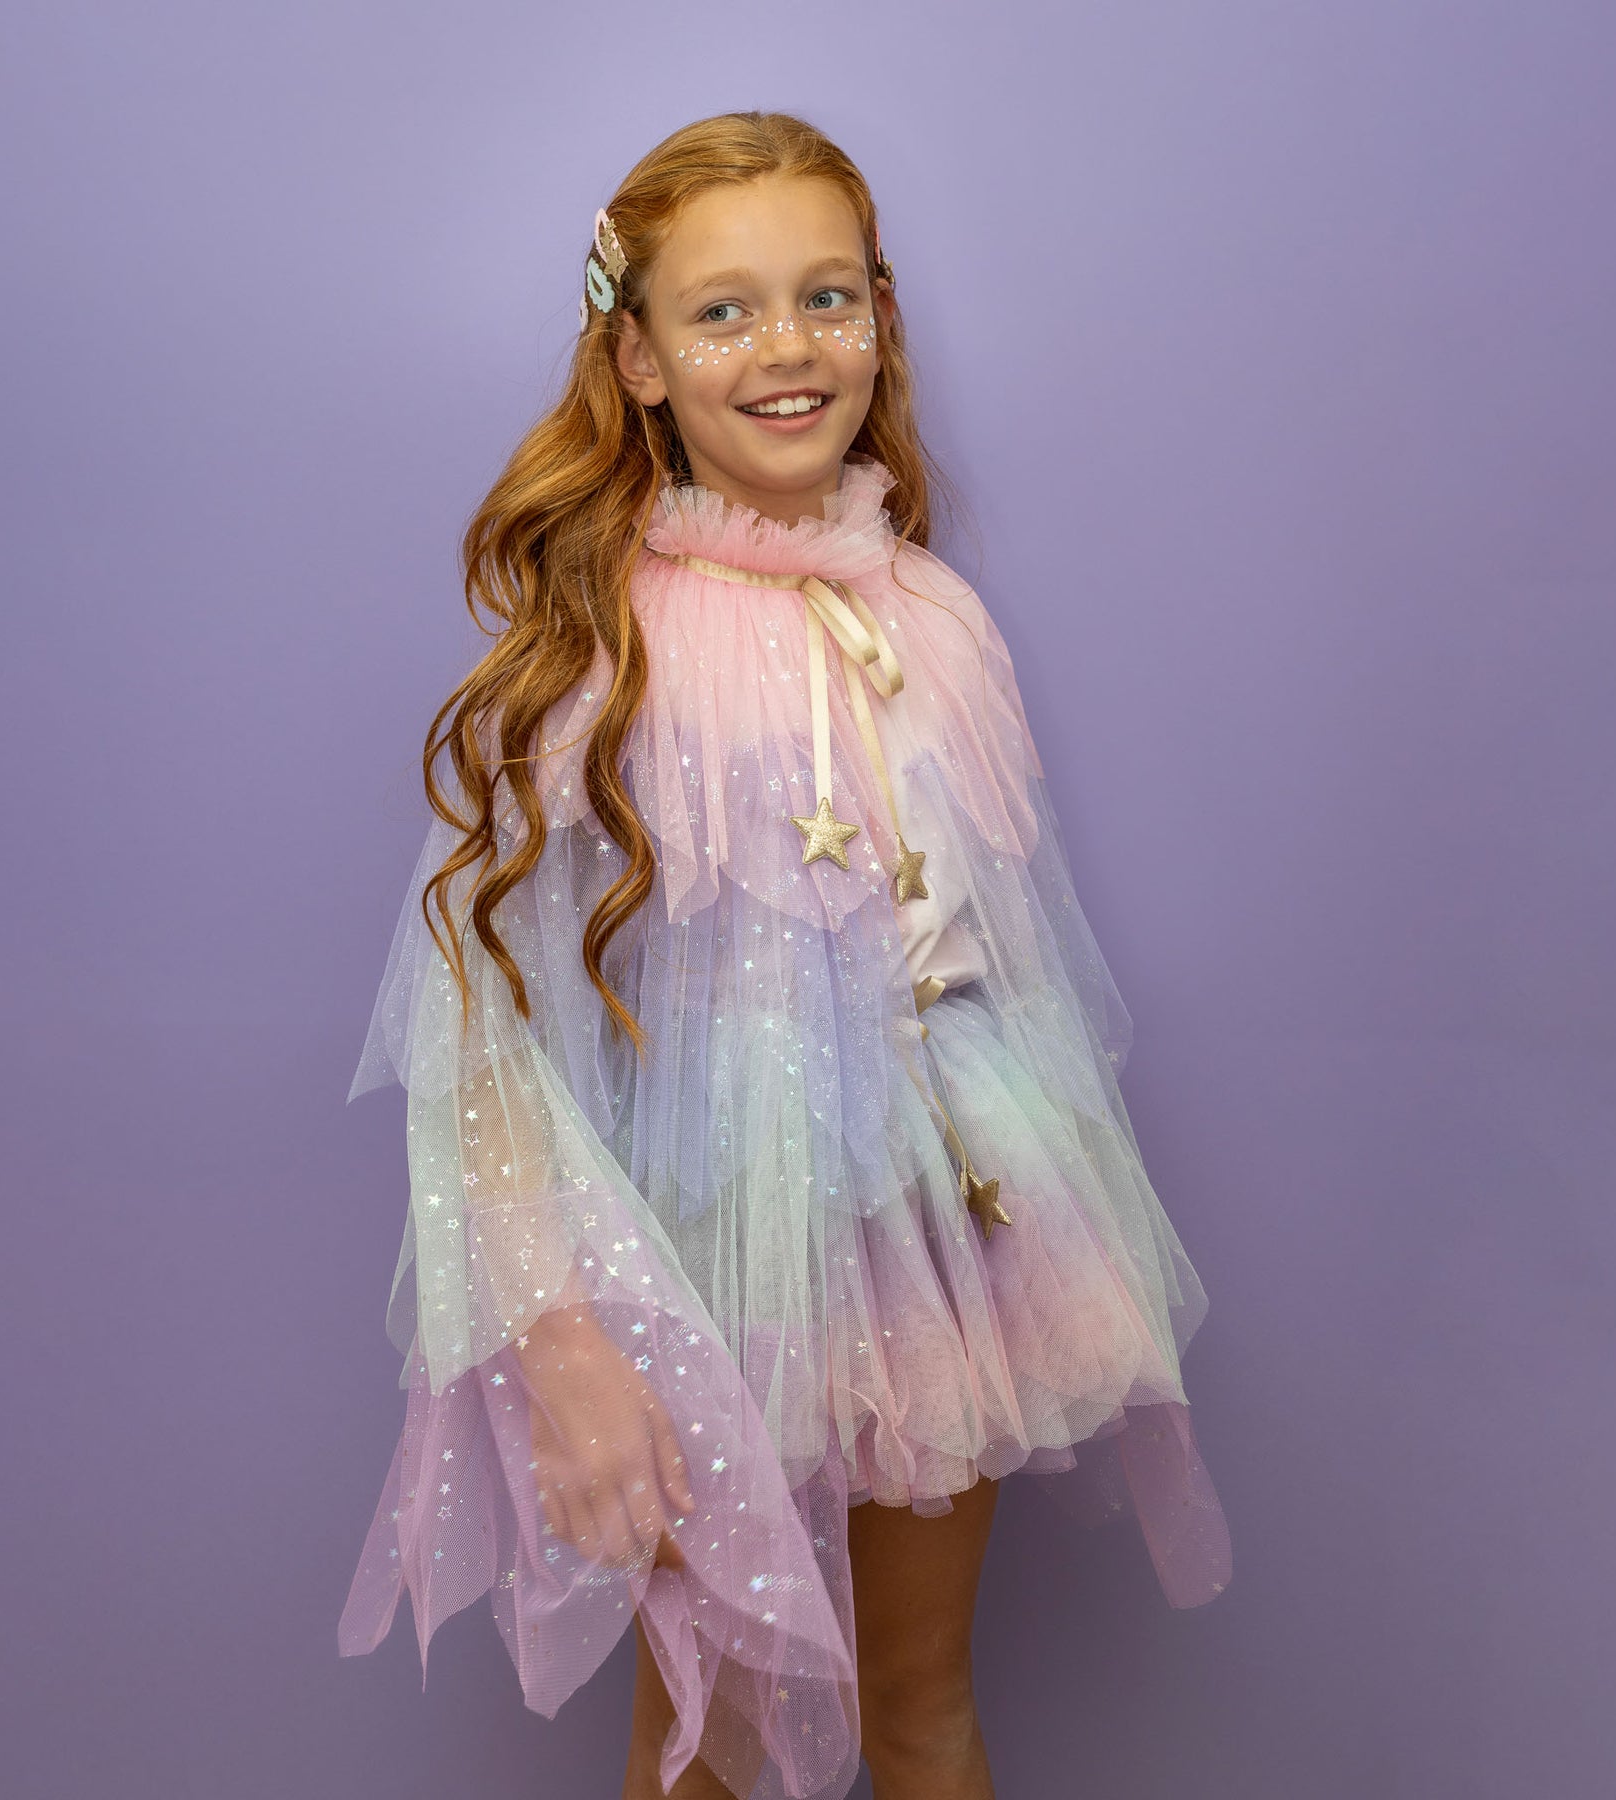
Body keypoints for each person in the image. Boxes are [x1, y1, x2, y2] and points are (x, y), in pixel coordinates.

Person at [337, 110, 1232, 1800]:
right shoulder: (601, 649)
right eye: (722, 312)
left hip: (941, 1235)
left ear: (880, 318)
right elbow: (481, 1026)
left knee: (922, 1699)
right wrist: (566, 1339)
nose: (787, 346)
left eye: (827, 296)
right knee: (712, 1727)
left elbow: (999, 960)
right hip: (704, 1258)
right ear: (638, 359)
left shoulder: (933, 619)